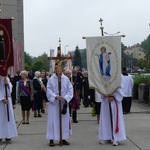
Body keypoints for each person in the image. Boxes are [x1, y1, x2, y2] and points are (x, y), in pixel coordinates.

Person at [46, 65, 73, 147]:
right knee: (52, 121)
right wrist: (55, 96)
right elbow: (48, 90)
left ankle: (63, 138)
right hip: (54, 104)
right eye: (56, 68)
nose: (57, 70)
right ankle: (51, 139)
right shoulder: (51, 79)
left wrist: (65, 98)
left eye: (59, 68)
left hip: (63, 102)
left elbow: (70, 90)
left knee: (63, 121)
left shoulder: (66, 79)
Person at [0, 77, 18, 144]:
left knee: (8, 118)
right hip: (1, 101)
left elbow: (10, 89)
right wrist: (2, 98)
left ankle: (8, 135)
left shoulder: (6, 78)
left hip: (8, 100)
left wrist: (7, 84)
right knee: (1, 119)